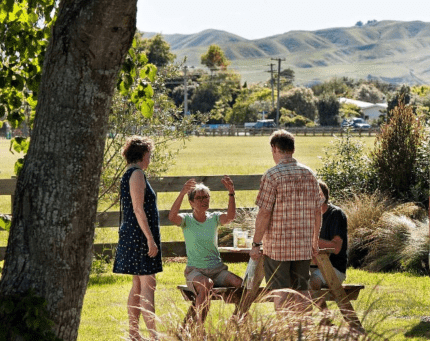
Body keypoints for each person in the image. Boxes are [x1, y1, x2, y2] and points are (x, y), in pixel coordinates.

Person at [249, 130, 324, 312]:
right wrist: (314, 241)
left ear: (274, 148)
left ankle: (285, 331)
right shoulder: (309, 174)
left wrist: (256, 243)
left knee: (280, 291)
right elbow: (317, 211)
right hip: (303, 246)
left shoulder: (272, 175)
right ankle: (303, 330)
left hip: (277, 247)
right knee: (302, 289)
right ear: (292, 148)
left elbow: (264, 213)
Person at [168, 177, 243, 322]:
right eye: (199, 198)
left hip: (217, 270)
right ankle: (199, 329)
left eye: (206, 197)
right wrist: (182, 192)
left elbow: (230, 216)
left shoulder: (214, 218)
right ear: (191, 202)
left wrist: (231, 193)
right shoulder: (187, 220)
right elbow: (172, 217)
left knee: (240, 284)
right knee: (206, 284)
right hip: (196, 271)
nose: (204, 200)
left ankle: (236, 320)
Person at [112, 136, 161, 340]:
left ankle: (134, 334)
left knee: (138, 285)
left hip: (133, 235)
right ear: (142, 154)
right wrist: (150, 239)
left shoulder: (129, 173)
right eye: (149, 154)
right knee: (148, 285)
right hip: (140, 237)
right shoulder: (137, 174)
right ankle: (154, 336)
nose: (150, 158)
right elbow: (138, 210)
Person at [310, 181, 348, 304]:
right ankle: (325, 320)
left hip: (333, 268)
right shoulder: (309, 215)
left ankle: (324, 318)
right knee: (289, 282)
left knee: (309, 283)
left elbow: (336, 248)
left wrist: (312, 239)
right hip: (312, 266)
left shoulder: (335, 214)